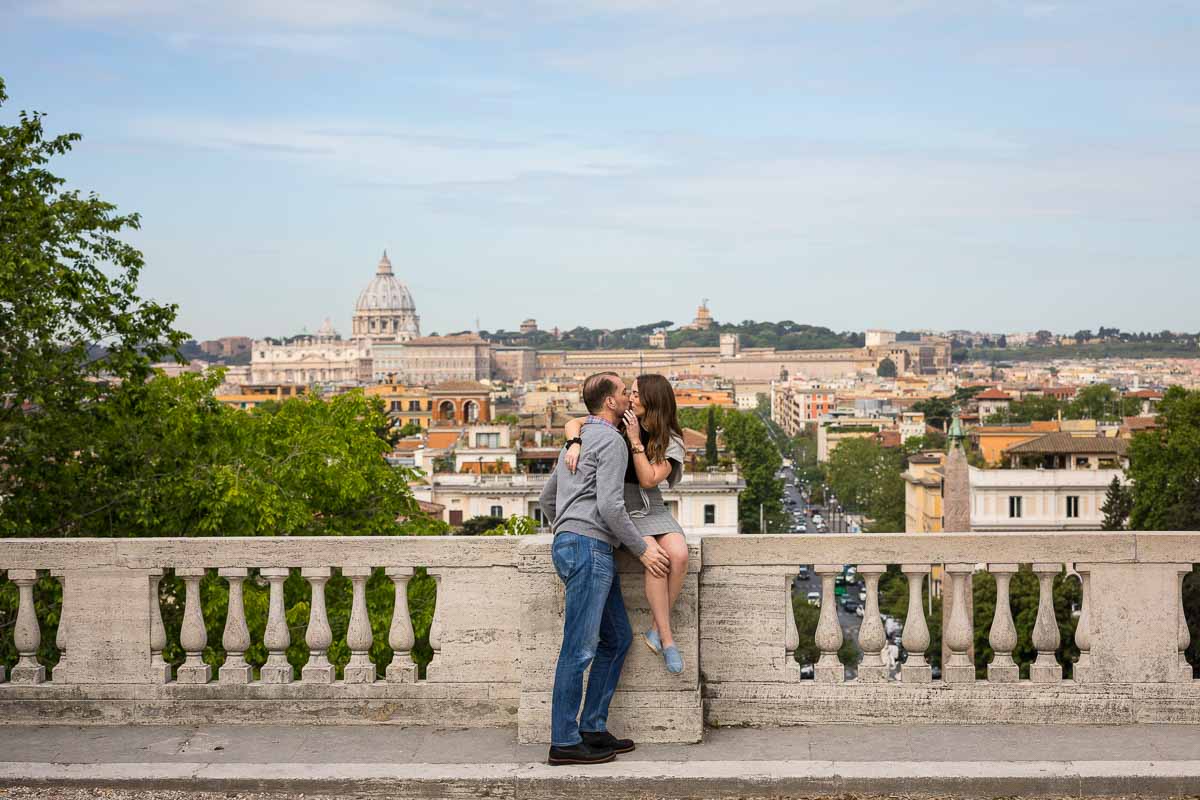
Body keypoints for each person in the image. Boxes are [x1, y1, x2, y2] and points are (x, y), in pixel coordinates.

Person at [538, 372, 672, 766]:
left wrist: (567, 526)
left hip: (575, 545)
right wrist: (642, 549)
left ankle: (592, 729)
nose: (629, 397)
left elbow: (548, 498)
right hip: (590, 548)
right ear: (610, 403)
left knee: (615, 640)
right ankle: (564, 741)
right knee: (579, 649)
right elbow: (612, 506)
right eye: (623, 392)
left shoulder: (577, 443)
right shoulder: (612, 441)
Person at [563, 373, 689, 674]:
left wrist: (634, 441)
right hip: (625, 509)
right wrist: (574, 443)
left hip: (653, 507)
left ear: (651, 399)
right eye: (628, 393)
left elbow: (648, 479)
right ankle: (668, 640)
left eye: (635, 394)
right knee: (656, 560)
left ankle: (656, 629)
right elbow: (575, 422)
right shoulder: (619, 424)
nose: (629, 398)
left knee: (680, 555)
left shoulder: (670, 439)